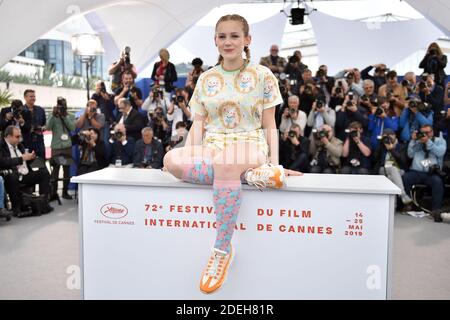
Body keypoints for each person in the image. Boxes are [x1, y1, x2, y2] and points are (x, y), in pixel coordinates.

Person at [163, 14, 301, 294]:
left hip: (250, 143)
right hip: (214, 146)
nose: (228, 42)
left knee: (227, 163)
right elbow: (198, 124)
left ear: (247, 40)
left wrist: (276, 163)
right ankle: (248, 176)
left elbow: (269, 124)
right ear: (215, 41)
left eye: (235, 36)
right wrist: (187, 157)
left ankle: (222, 249)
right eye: (222, 36)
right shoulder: (206, 78)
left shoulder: (263, 75)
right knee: (170, 161)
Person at [0, 126, 53, 216]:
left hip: (25, 173)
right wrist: (21, 159)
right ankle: (16, 207)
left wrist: (31, 157)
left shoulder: (19, 145)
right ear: (8, 137)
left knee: (44, 172)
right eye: (17, 137)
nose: (19, 139)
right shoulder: (1, 146)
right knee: (12, 177)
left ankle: (43, 203)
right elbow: (3, 162)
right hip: (11, 174)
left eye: (20, 136)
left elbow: (26, 159)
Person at [402, 124, 447, 222]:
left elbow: (440, 152)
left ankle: (436, 210)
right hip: (416, 171)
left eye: (427, 132)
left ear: (432, 132)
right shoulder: (417, 141)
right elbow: (410, 154)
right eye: (423, 133)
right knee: (405, 178)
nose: (424, 135)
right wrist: (413, 140)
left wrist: (428, 142)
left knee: (437, 182)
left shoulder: (440, 141)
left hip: (431, 173)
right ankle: (409, 204)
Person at [372, 128, 411, 208]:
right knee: (391, 172)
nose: (388, 139)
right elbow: (374, 159)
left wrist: (392, 150)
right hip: (383, 169)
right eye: (386, 137)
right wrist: (381, 144)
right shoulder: (381, 146)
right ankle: (402, 196)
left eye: (390, 136)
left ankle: (392, 207)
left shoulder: (401, 146)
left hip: (399, 170)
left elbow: (403, 160)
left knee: (391, 173)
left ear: (395, 136)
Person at [46, 97, 76, 200]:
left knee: (67, 170)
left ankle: (65, 192)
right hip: (56, 147)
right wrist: (53, 115)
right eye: (60, 104)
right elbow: (48, 127)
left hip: (67, 146)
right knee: (55, 170)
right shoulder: (53, 116)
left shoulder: (70, 116)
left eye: (63, 104)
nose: (62, 106)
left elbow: (72, 128)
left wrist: (64, 116)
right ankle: (53, 193)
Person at [22, 89, 46, 159]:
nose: (33, 98)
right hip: (26, 142)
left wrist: (43, 128)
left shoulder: (40, 110)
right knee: (28, 164)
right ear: (25, 97)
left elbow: (44, 123)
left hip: (39, 141)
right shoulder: (21, 110)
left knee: (42, 163)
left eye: (34, 96)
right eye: (31, 96)